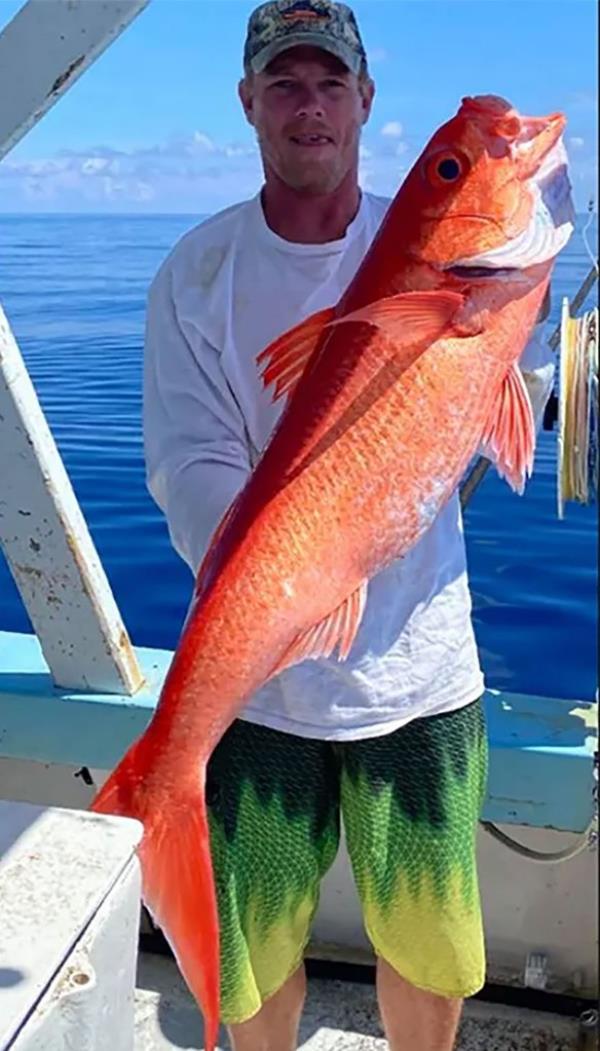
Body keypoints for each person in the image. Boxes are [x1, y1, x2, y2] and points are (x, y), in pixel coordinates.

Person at [142, 3, 555, 1049]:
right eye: (284, 83)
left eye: (331, 82)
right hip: (263, 694)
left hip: (419, 676)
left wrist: (526, 343)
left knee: (432, 947)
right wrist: (284, 582)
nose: (309, 104)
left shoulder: (437, 266)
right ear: (248, 105)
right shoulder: (196, 272)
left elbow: (521, 403)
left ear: (366, 102)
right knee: (257, 950)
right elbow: (187, 462)